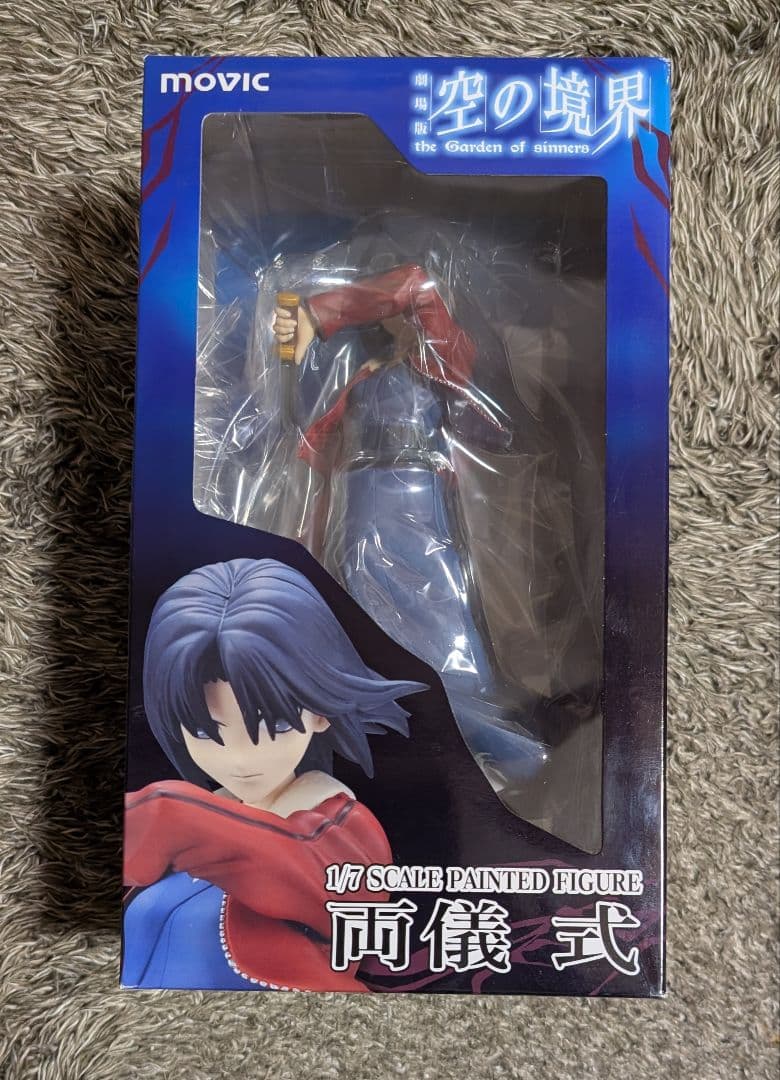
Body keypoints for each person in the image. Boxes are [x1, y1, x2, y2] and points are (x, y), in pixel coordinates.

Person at [122, 557, 425, 991]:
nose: (239, 759)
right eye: (205, 731)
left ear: (320, 710)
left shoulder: (345, 834)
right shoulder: (202, 821)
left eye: (275, 724)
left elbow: (320, 885)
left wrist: (168, 817)